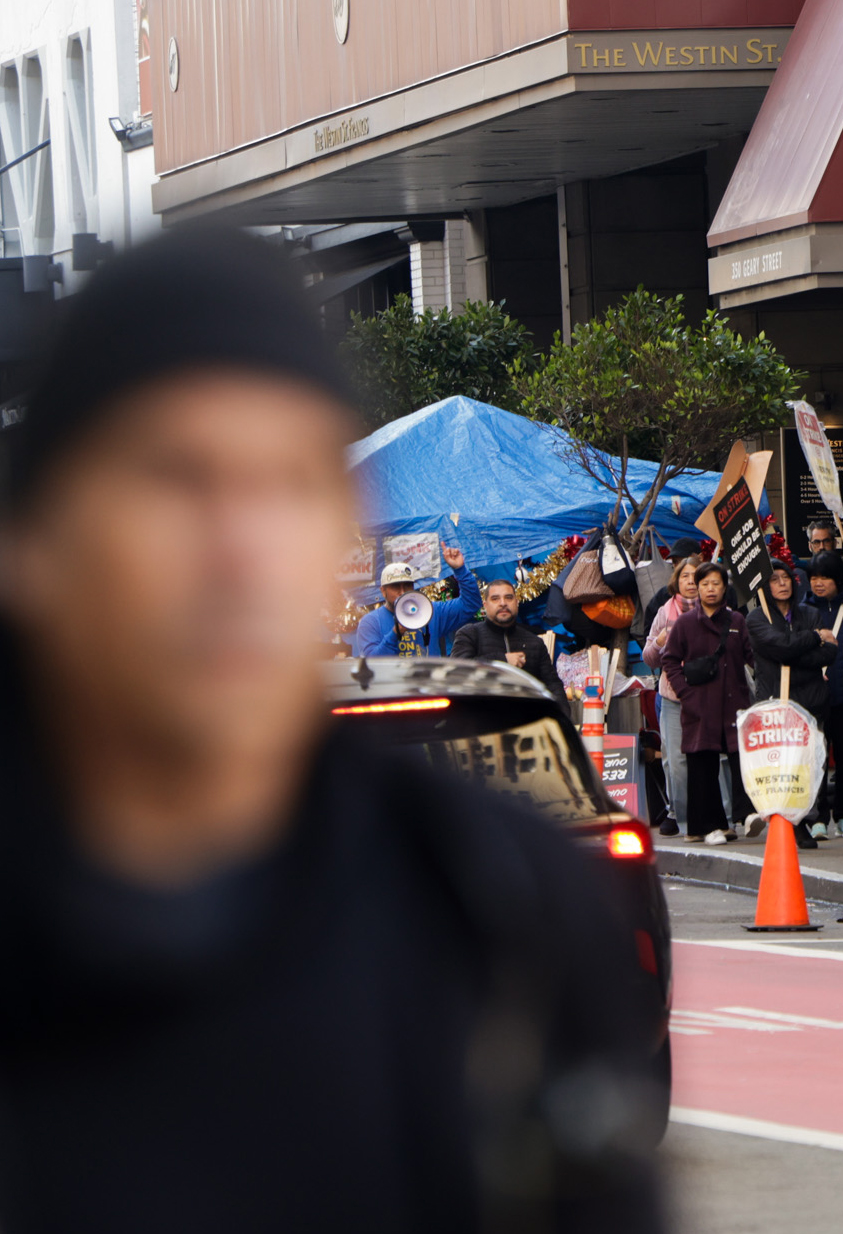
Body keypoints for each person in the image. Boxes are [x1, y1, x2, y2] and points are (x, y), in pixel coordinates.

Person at [0, 229, 661, 1232]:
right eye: (177, 478)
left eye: (292, 486)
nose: (239, 551)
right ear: (34, 549)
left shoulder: (488, 905)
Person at [660, 561, 757, 846]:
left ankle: (746, 814)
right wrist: (685, 694)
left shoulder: (737, 621)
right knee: (702, 765)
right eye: (705, 584)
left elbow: (752, 656)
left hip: (734, 703)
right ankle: (708, 825)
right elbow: (669, 660)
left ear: (725, 587)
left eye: (716, 583)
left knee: (742, 759)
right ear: (697, 589)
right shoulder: (685, 623)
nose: (710, 589)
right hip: (700, 704)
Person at [746, 560, 837, 848]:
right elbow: (780, 649)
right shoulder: (757, 618)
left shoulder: (810, 613)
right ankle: (784, 821)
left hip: (810, 701)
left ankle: (805, 820)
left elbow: (829, 653)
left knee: (809, 765)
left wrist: (795, 651)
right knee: (779, 767)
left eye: (786, 578)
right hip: (776, 701)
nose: (782, 583)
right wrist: (811, 639)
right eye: (774, 579)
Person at [802, 551, 843, 840]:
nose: (818, 583)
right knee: (816, 759)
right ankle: (817, 817)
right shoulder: (803, 611)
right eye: (813, 577)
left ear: (839, 579)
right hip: (813, 698)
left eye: (824, 577)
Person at [641, 556, 701, 837]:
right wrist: (660, 641)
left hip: (706, 695)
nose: (691, 581)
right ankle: (680, 812)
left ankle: (716, 814)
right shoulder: (664, 612)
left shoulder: (713, 611)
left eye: (696, 576)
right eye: (685, 576)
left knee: (709, 757)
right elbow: (648, 657)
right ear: (676, 581)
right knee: (674, 760)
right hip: (671, 694)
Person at [450, 577, 565, 697]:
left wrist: (561, 714)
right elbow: (458, 671)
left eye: (508, 598)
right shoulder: (470, 634)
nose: (503, 603)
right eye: (495, 599)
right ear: (485, 605)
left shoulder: (534, 642)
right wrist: (503, 660)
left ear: (516, 602)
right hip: (481, 713)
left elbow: (553, 685)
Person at [354, 550, 481, 658]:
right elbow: (371, 663)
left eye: (407, 586)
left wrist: (460, 570)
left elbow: (471, 604)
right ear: (383, 591)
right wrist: (395, 633)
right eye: (395, 587)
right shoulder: (370, 622)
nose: (402, 592)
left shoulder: (432, 611)